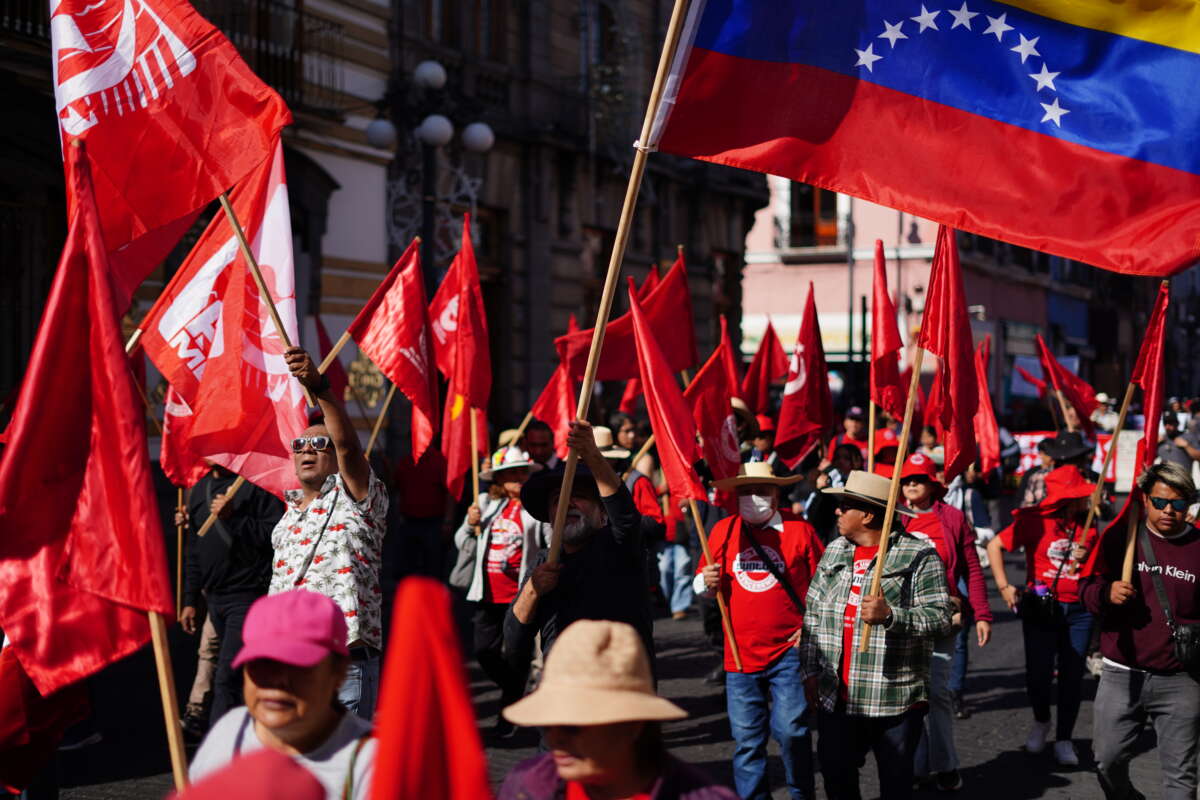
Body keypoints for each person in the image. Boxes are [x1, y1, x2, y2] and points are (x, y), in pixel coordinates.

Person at [801, 470, 953, 799]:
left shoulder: (918, 556)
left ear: (868, 515)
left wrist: (891, 616)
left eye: (845, 505)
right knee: (836, 777)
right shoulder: (834, 551)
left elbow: (941, 618)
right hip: (836, 696)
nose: (838, 511)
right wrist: (810, 671)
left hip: (892, 698)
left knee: (896, 783)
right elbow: (812, 614)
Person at [268, 347, 389, 719]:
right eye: (300, 445)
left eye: (320, 444)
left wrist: (320, 388)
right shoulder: (286, 517)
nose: (307, 450)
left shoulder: (357, 497)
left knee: (339, 771)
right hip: (286, 664)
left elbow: (350, 447)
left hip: (341, 665)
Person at [694, 462, 824, 800]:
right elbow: (703, 584)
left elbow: (826, 588)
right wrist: (704, 582)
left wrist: (811, 630)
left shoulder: (801, 530)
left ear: (777, 493)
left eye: (762, 490)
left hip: (789, 652)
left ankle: (801, 794)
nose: (754, 497)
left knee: (793, 732)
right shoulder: (723, 529)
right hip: (739, 655)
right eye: (746, 491)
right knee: (748, 743)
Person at [498, 619, 737, 800]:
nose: (555, 738)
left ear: (632, 725)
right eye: (548, 723)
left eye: (572, 726)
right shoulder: (526, 785)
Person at [1082, 463, 1200, 800]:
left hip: (1182, 677)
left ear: (1188, 505)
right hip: (1122, 673)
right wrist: (1107, 594)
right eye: (1160, 502)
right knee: (1107, 761)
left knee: (1181, 779)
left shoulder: (1198, 546)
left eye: (1178, 504)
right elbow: (1086, 590)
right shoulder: (1122, 538)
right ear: (1144, 500)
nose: (1168, 511)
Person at [190, 591, 376, 799]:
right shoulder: (229, 732)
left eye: (297, 665)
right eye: (262, 664)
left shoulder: (372, 764)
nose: (277, 681)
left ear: (338, 672)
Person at [505, 420, 654, 665]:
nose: (568, 504)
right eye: (558, 500)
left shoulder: (620, 547)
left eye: (581, 497)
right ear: (550, 517)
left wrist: (592, 454)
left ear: (603, 514)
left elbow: (626, 517)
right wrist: (533, 590)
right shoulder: (544, 563)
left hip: (620, 685)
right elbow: (513, 643)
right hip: (564, 690)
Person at [891, 453, 992, 792]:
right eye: (906, 479)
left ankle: (946, 765)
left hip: (942, 619)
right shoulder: (892, 518)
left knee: (937, 694)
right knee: (907, 697)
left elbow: (972, 568)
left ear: (933, 484)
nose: (912, 484)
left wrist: (982, 613)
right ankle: (917, 767)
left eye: (918, 478)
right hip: (901, 622)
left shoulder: (952, 518)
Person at [986, 465, 1098, 766]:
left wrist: (1088, 559)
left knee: (1072, 676)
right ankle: (1041, 720)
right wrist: (1004, 586)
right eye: (1075, 497)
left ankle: (1064, 738)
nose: (1081, 501)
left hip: (1079, 611)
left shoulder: (1090, 522)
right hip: (1042, 607)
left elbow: (1101, 569)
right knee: (1037, 674)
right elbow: (994, 544)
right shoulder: (1034, 520)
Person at [178, 462, 284, 726]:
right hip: (213, 599)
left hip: (248, 597)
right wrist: (190, 599)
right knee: (231, 671)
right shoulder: (199, 488)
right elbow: (194, 549)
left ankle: (222, 750)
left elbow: (276, 535)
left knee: (228, 674)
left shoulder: (257, 484)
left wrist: (234, 516)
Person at [454, 445, 547, 736]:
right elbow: (460, 542)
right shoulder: (484, 502)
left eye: (523, 472)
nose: (519, 478)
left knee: (517, 655)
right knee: (484, 651)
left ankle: (506, 718)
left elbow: (550, 543)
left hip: (520, 596)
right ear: (500, 479)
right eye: (512, 474)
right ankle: (517, 690)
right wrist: (470, 525)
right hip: (488, 593)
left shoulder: (539, 506)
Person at [1019, 439, 1055, 508]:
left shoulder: (1058, 470)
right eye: (1049, 454)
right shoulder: (1031, 474)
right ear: (1041, 454)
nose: (1052, 458)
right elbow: (1021, 498)